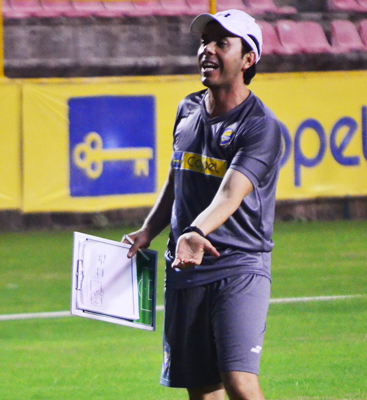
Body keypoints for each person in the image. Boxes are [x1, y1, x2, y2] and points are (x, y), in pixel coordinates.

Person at [123, 9, 282, 400]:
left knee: (239, 382)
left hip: (238, 264)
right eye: (203, 42)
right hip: (185, 267)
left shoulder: (260, 126)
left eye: (221, 44)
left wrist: (194, 231)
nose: (207, 50)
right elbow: (177, 179)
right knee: (201, 390)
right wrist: (149, 230)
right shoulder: (188, 109)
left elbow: (231, 193)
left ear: (248, 60)